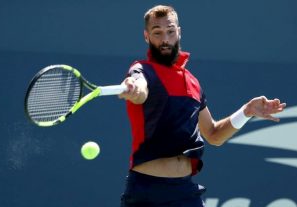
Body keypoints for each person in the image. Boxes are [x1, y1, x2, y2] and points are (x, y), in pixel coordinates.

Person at [118, 5, 286, 207]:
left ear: (179, 32)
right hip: (147, 193)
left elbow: (214, 134)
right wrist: (134, 89)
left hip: (185, 191)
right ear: (147, 36)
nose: (165, 39)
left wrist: (246, 111)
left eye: (170, 31)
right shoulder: (142, 70)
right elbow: (140, 88)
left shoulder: (193, 82)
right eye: (157, 33)